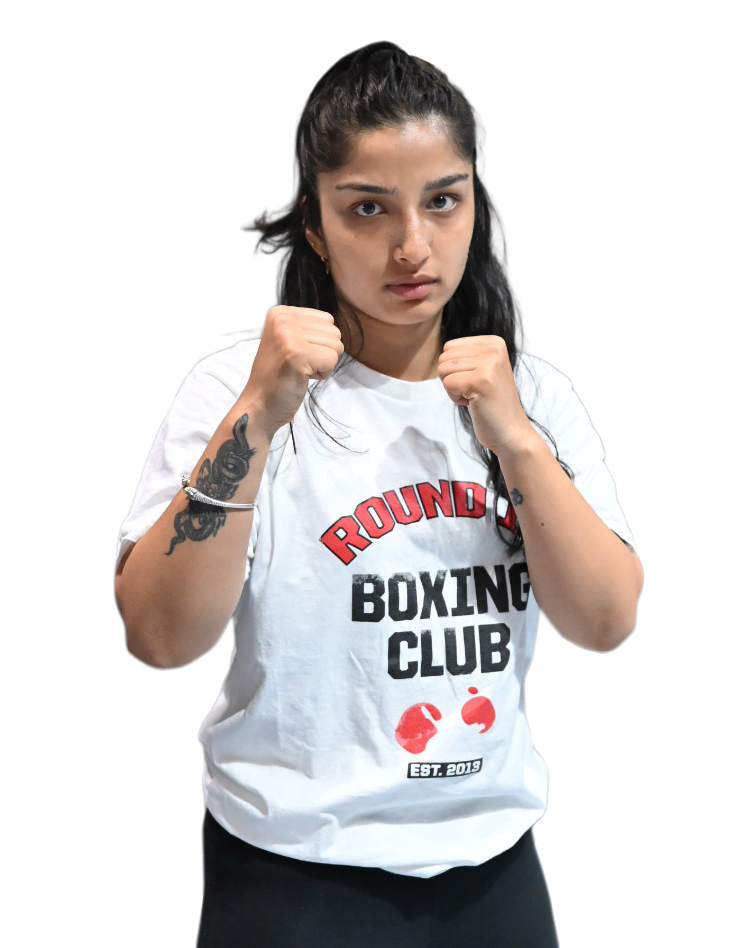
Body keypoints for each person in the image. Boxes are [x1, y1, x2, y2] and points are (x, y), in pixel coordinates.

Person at [114, 40, 644, 948]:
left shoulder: (538, 396)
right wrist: (256, 417)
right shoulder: (232, 390)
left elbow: (603, 621)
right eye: (368, 209)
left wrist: (515, 438)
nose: (412, 245)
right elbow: (160, 635)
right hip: (290, 871)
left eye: (443, 200)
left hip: (493, 868)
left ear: (475, 204)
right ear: (315, 227)